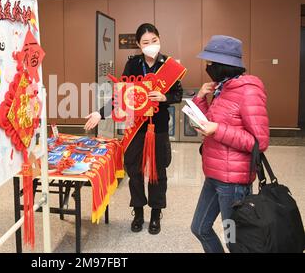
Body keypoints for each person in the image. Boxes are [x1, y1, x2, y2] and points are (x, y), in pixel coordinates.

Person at [85, 23, 183, 234]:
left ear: (160, 39)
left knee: (158, 171)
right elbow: (120, 95)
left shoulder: (169, 66)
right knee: (134, 170)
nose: (151, 45)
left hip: (158, 128)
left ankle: (156, 213)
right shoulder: (133, 65)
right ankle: (138, 212)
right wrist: (99, 113)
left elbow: (178, 95)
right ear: (138, 44)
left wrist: (165, 97)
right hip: (135, 127)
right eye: (146, 42)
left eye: (154, 41)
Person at [190, 35, 269, 252]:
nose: (207, 67)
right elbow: (210, 124)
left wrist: (219, 130)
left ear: (224, 65)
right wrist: (200, 99)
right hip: (213, 175)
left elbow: (259, 142)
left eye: (211, 63)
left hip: (233, 184)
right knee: (199, 228)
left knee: (233, 240)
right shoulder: (222, 88)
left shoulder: (249, 91)